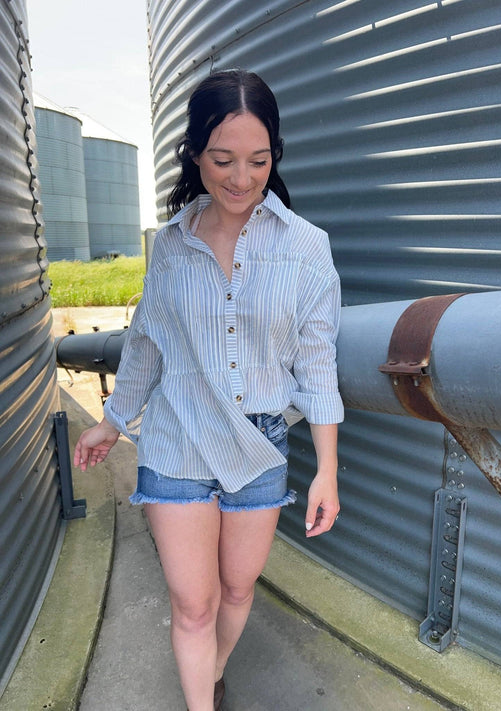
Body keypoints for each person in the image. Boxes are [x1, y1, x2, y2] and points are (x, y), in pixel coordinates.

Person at [74, 68, 344, 711]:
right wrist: (111, 421)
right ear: (194, 154)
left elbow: (317, 364)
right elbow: (146, 343)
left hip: (259, 442)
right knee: (192, 605)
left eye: (258, 160)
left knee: (237, 590)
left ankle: (215, 670)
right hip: (177, 439)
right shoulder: (169, 245)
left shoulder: (307, 248)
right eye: (223, 160)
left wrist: (327, 470)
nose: (241, 178)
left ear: (274, 155)